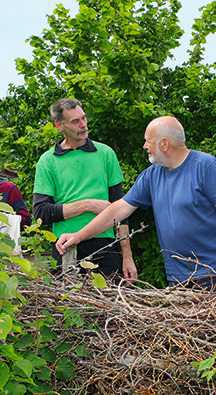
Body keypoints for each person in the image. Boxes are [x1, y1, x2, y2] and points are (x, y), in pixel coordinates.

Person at [55, 116, 216, 291]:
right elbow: (118, 210)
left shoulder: (205, 166)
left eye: (148, 141)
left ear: (164, 144)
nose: (144, 146)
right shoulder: (152, 175)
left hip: (213, 275)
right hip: (177, 279)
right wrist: (78, 236)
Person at [33, 98, 137, 280]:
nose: (83, 125)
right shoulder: (47, 161)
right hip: (64, 246)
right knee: (68, 307)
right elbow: (41, 213)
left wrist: (127, 257)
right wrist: (87, 205)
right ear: (59, 125)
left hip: (104, 245)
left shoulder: (105, 153)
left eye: (84, 118)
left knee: (109, 307)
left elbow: (122, 210)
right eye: (75, 121)